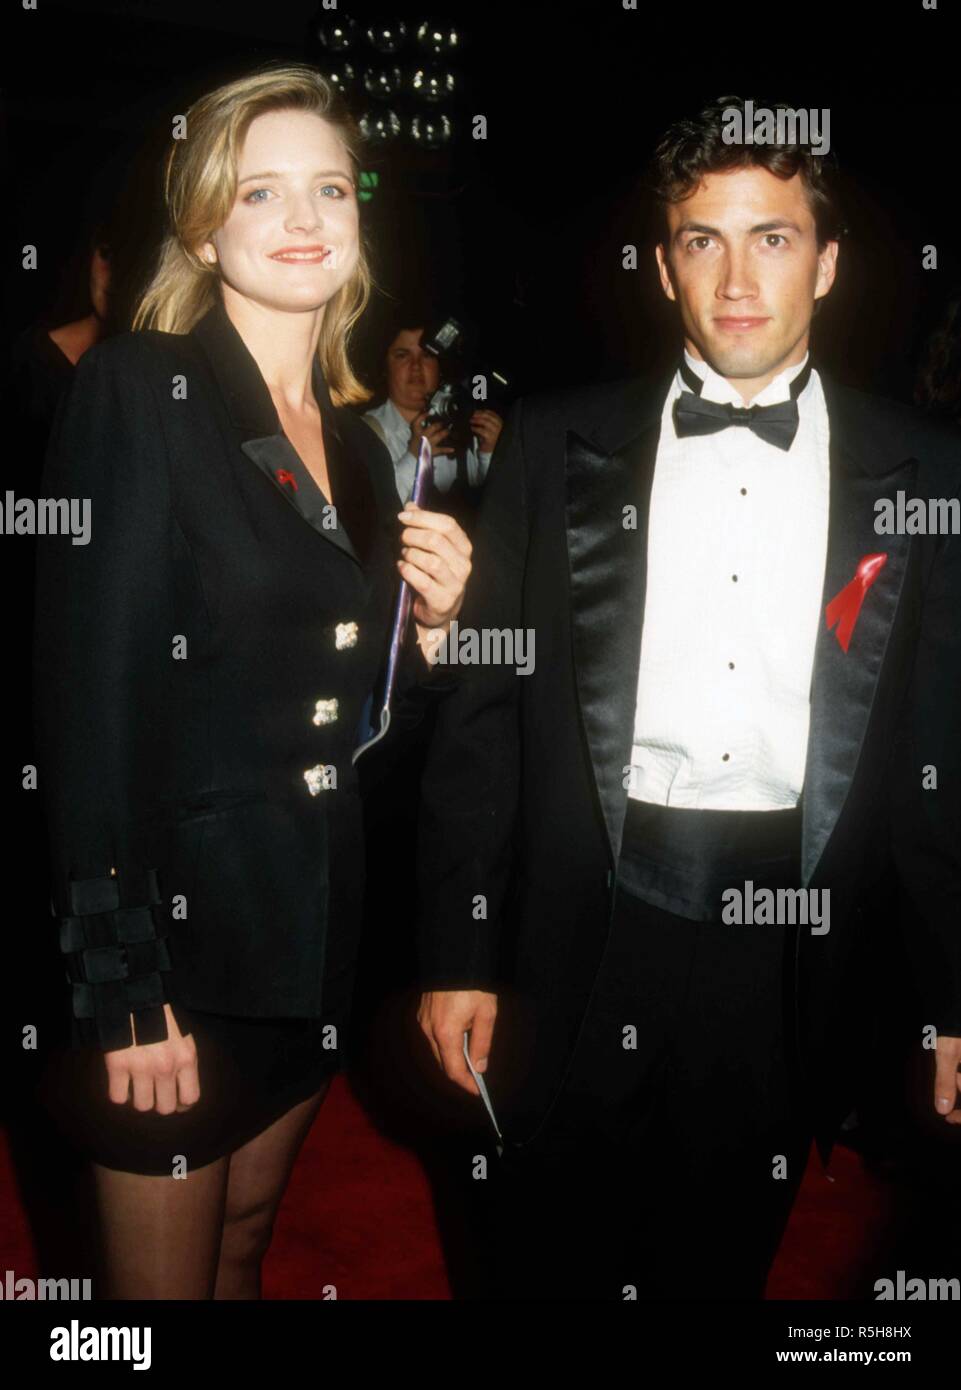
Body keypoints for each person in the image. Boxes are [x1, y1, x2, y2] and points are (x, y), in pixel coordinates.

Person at [416, 94, 961, 1300]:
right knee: (534, 1267)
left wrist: (949, 999)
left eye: (768, 237)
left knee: (716, 1270)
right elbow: (483, 718)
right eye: (700, 240)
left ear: (825, 262)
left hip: (789, 959)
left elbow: (936, 756)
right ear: (663, 266)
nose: (734, 276)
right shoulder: (555, 445)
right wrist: (459, 945)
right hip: (580, 921)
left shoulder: (923, 471)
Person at [32, 63, 471, 1301]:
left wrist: (434, 638)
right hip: (174, 954)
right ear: (202, 222)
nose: (302, 218)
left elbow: (361, 722)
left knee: (245, 1249)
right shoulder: (140, 391)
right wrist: (124, 991)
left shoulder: (363, 451)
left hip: (315, 941)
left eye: (329, 188)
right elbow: (88, 712)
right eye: (262, 190)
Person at [362, 315, 503, 525]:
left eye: (427, 356)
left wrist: (490, 453)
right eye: (402, 355)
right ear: (385, 367)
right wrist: (413, 457)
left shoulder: (462, 424)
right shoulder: (365, 431)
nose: (416, 366)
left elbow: (495, 511)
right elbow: (369, 517)